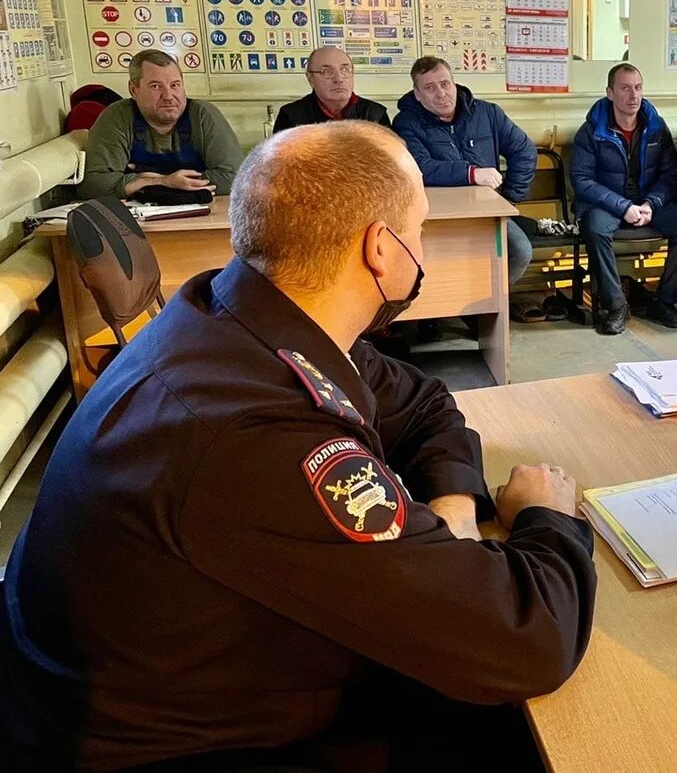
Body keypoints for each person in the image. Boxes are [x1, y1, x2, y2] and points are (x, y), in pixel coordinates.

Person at [0, 121, 597, 771]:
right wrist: (547, 518)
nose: (421, 251)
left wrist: (452, 504)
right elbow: (528, 639)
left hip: (173, 685)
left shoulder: (237, 313)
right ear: (379, 249)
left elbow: (422, 403)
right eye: (419, 230)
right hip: (176, 748)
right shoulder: (259, 435)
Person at [571, 64, 677, 335]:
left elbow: (671, 174)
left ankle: (664, 301)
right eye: (625, 88)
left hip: (647, 202)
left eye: (638, 87)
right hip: (607, 204)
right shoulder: (591, 131)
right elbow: (582, 181)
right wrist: (623, 206)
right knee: (594, 228)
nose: (633, 95)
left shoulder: (655, 127)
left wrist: (652, 203)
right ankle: (615, 305)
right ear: (610, 93)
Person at [393, 56, 538, 283]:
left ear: (454, 83)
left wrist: (510, 198)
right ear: (418, 95)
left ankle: (486, 309)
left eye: (445, 84)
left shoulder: (488, 113)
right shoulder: (405, 123)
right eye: (429, 88)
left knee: (519, 251)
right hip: (435, 217)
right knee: (437, 261)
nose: (441, 93)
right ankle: (448, 314)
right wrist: (470, 173)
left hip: (487, 213)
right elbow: (419, 167)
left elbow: (524, 151)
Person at [79, 48, 243, 200]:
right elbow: (94, 185)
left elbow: (235, 177)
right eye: (156, 86)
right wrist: (165, 182)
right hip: (139, 221)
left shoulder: (202, 115)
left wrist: (143, 182)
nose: (169, 96)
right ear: (133, 90)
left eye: (175, 85)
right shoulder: (117, 117)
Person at [272, 45, 392, 133]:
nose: (338, 79)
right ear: (310, 78)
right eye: (327, 71)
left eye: (345, 70)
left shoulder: (375, 114)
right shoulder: (292, 116)